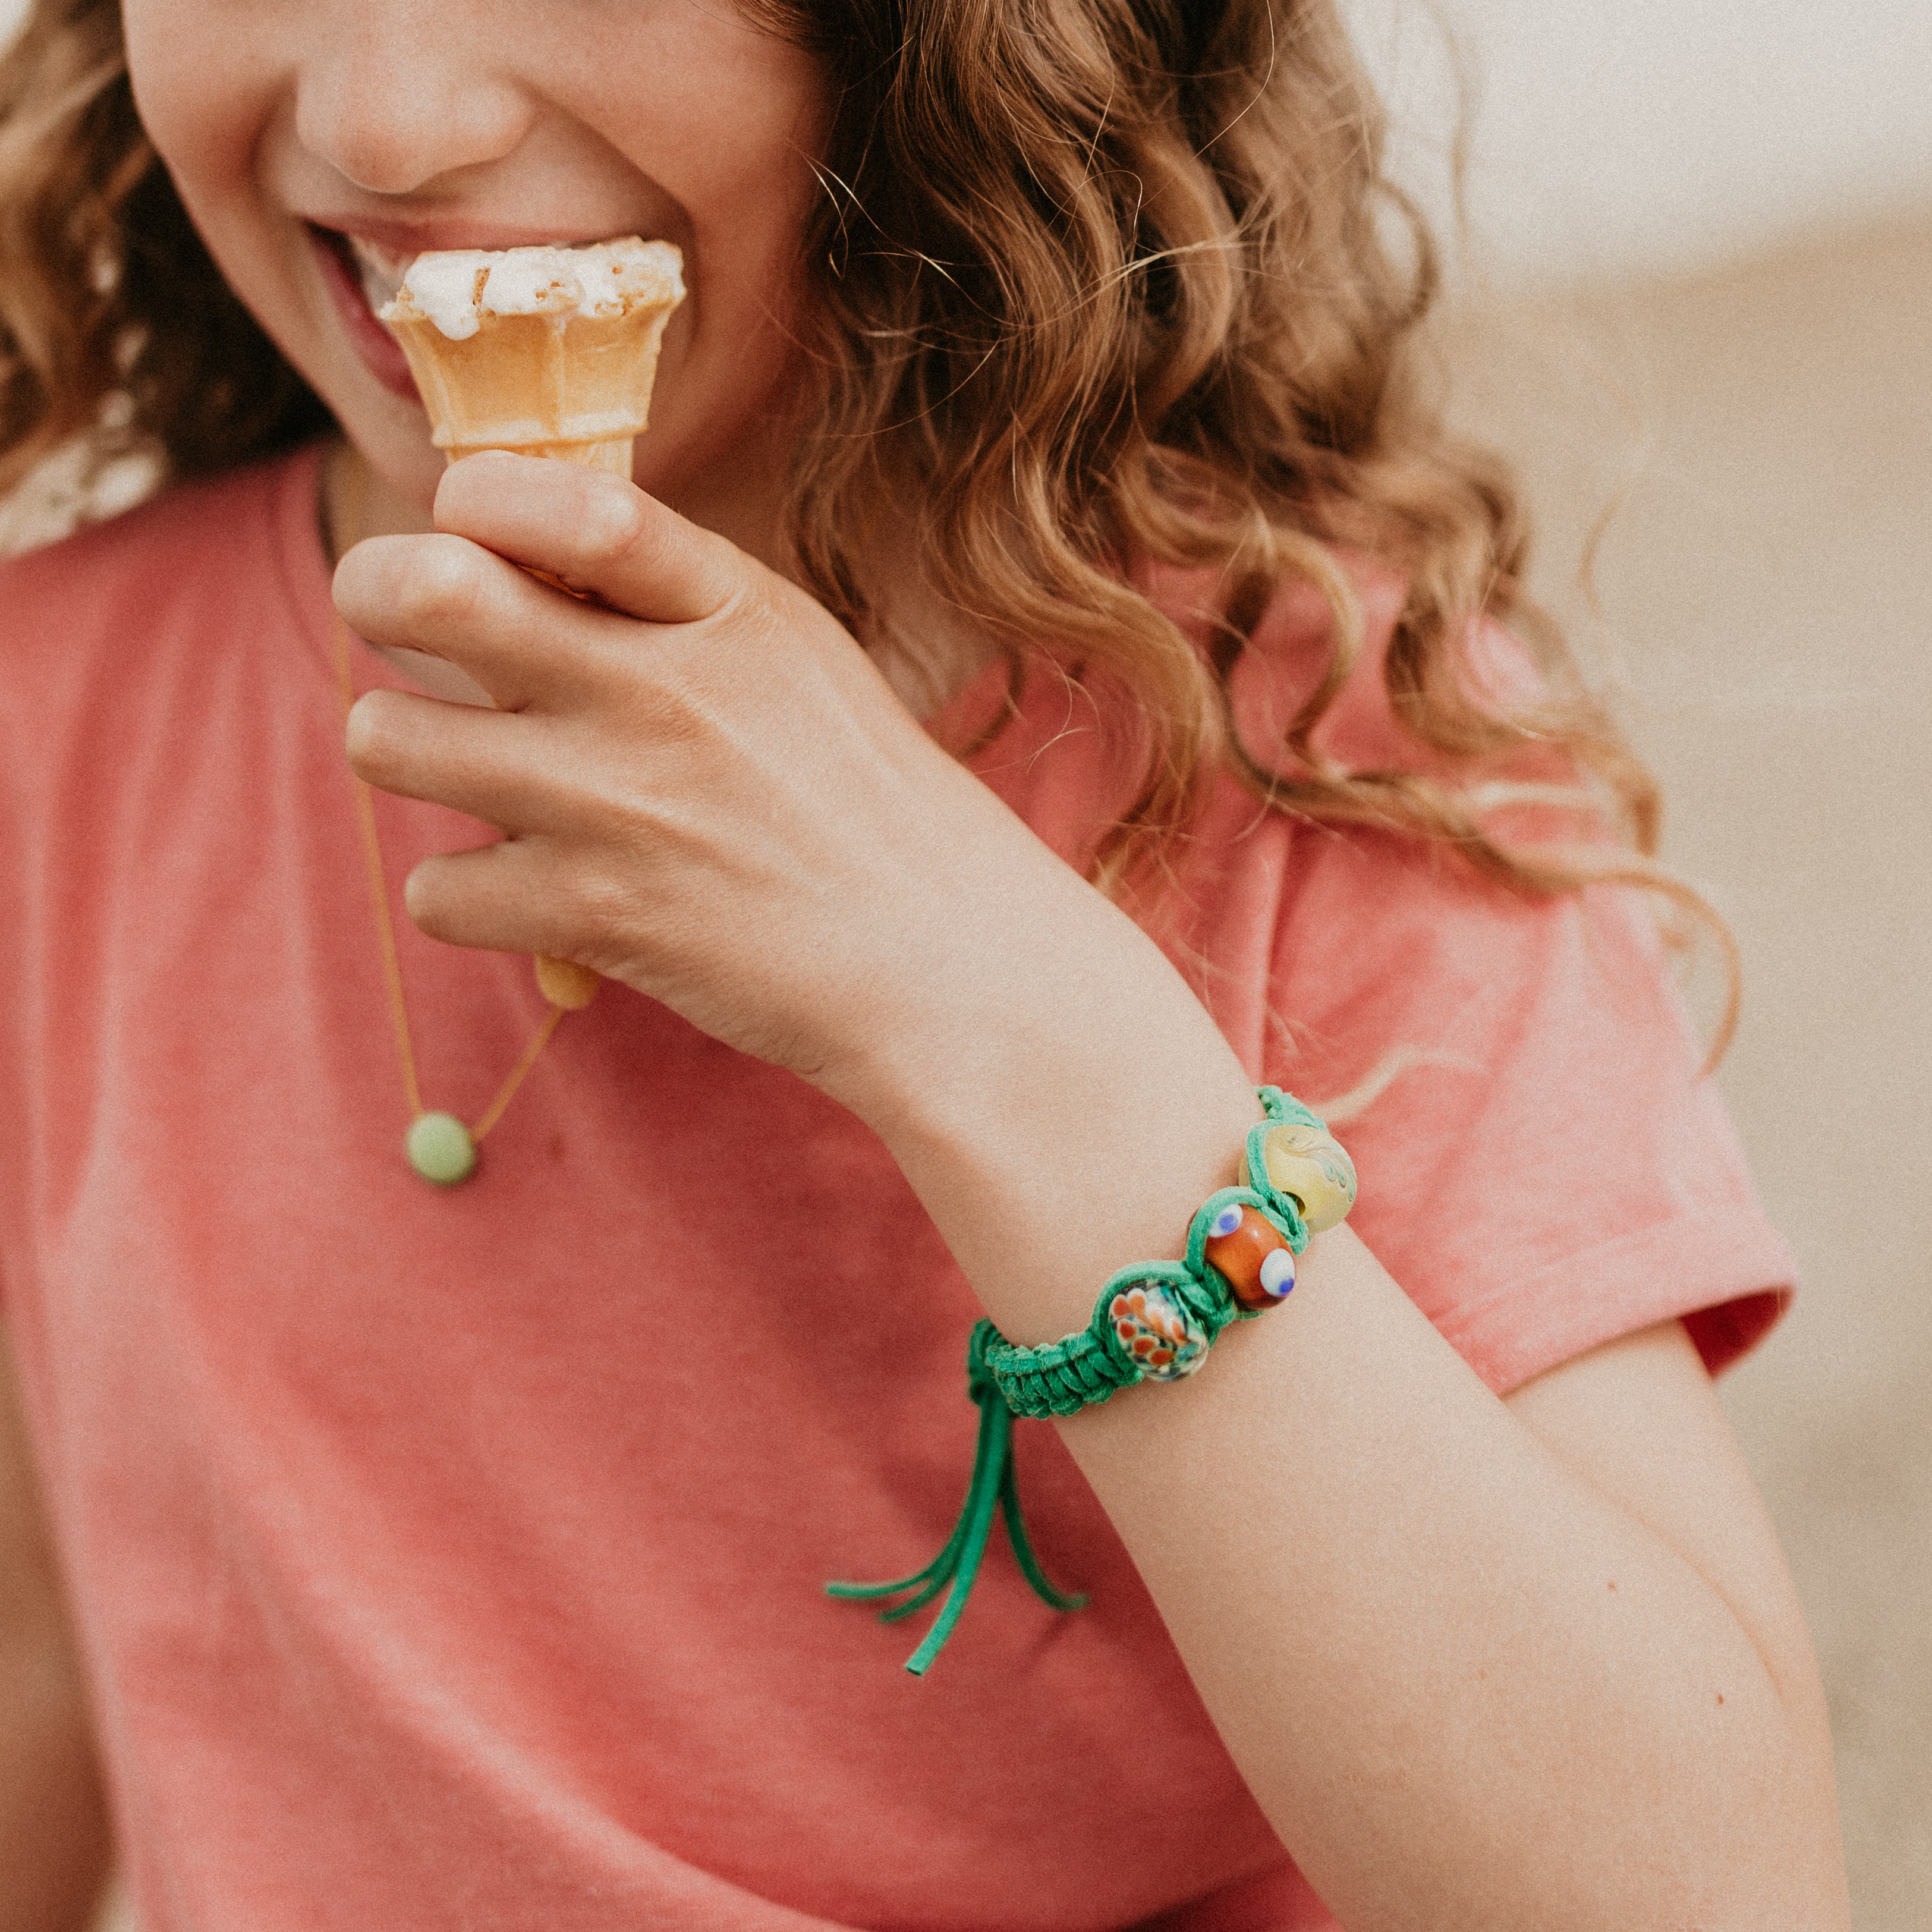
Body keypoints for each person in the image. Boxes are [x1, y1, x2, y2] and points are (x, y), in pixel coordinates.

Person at [0, 0, 1851, 1927]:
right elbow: (45, 1669)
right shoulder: (56, 725)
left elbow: (1714, 1895)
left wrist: (972, 1004)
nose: (392, 121)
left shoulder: (1304, 737)